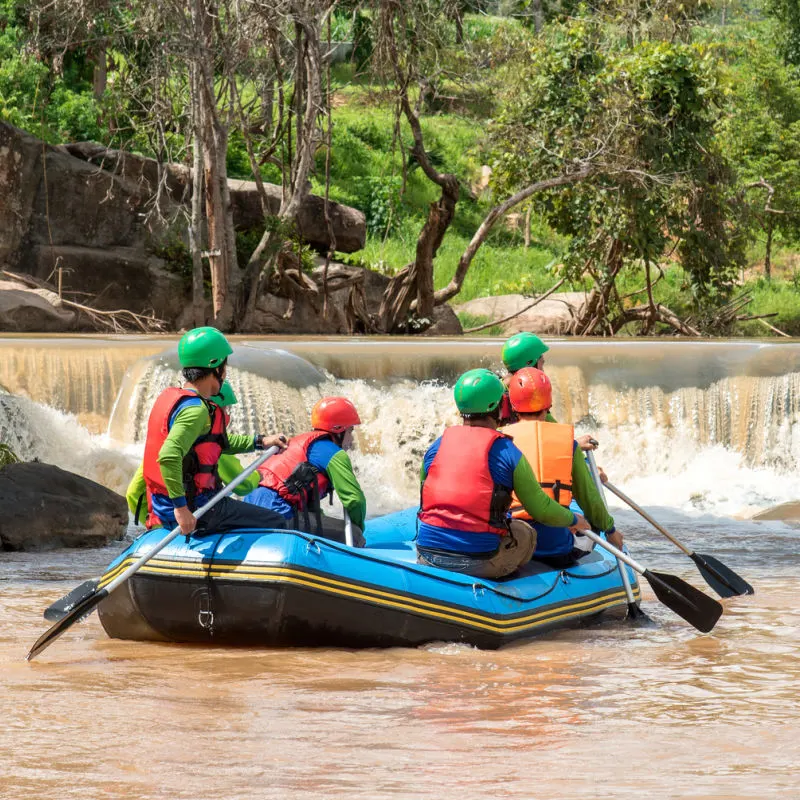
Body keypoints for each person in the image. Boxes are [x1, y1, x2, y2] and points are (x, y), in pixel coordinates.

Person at [416, 368, 591, 580]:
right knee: (525, 533)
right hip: (479, 560)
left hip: (426, 554)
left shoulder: (436, 447)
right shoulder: (507, 452)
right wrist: (574, 519)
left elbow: (424, 498)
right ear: (499, 407)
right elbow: (541, 510)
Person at [142, 326, 289, 535]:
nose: (225, 371)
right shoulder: (196, 411)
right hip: (198, 508)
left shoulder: (176, 399)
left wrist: (261, 441)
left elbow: (217, 443)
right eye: (224, 366)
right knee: (276, 520)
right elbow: (168, 456)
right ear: (216, 368)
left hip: (162, 506)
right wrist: (182, 509)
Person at [504, 367, 624, 568]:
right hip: (555, 550)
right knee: (592, 522)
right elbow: (589, 498)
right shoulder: (568, 443)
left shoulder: (500, 440)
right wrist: (610, 531)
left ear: (512, 405)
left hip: (514, 544)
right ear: (548, 404)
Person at [126, 380, 260, 524]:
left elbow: (133, 494)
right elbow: (243, 486)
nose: (227, 415)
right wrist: (261, 475)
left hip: (161, 522)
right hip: (194, 520)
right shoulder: (210, 446)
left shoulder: (164, 443)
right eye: (225, 410)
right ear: (214, 410)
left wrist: (154, 525)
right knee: (272, 520)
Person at [244, 396, 367, 546]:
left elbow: (309, 509)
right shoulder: (334, 453)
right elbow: (354, 500)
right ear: (338, 430)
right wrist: (358, 529)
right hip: (278, 513)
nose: (352, 439)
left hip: (249, 512)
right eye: (351, 431)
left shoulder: (298, 442)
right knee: (354, 535)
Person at [499, 331, 601, 457]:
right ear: (530, 364)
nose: (543, 370)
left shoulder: (492, 392)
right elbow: (551, 433)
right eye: (542, 364)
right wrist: (575, 445)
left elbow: (553, 430)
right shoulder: (531, 395)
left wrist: (573, 443)